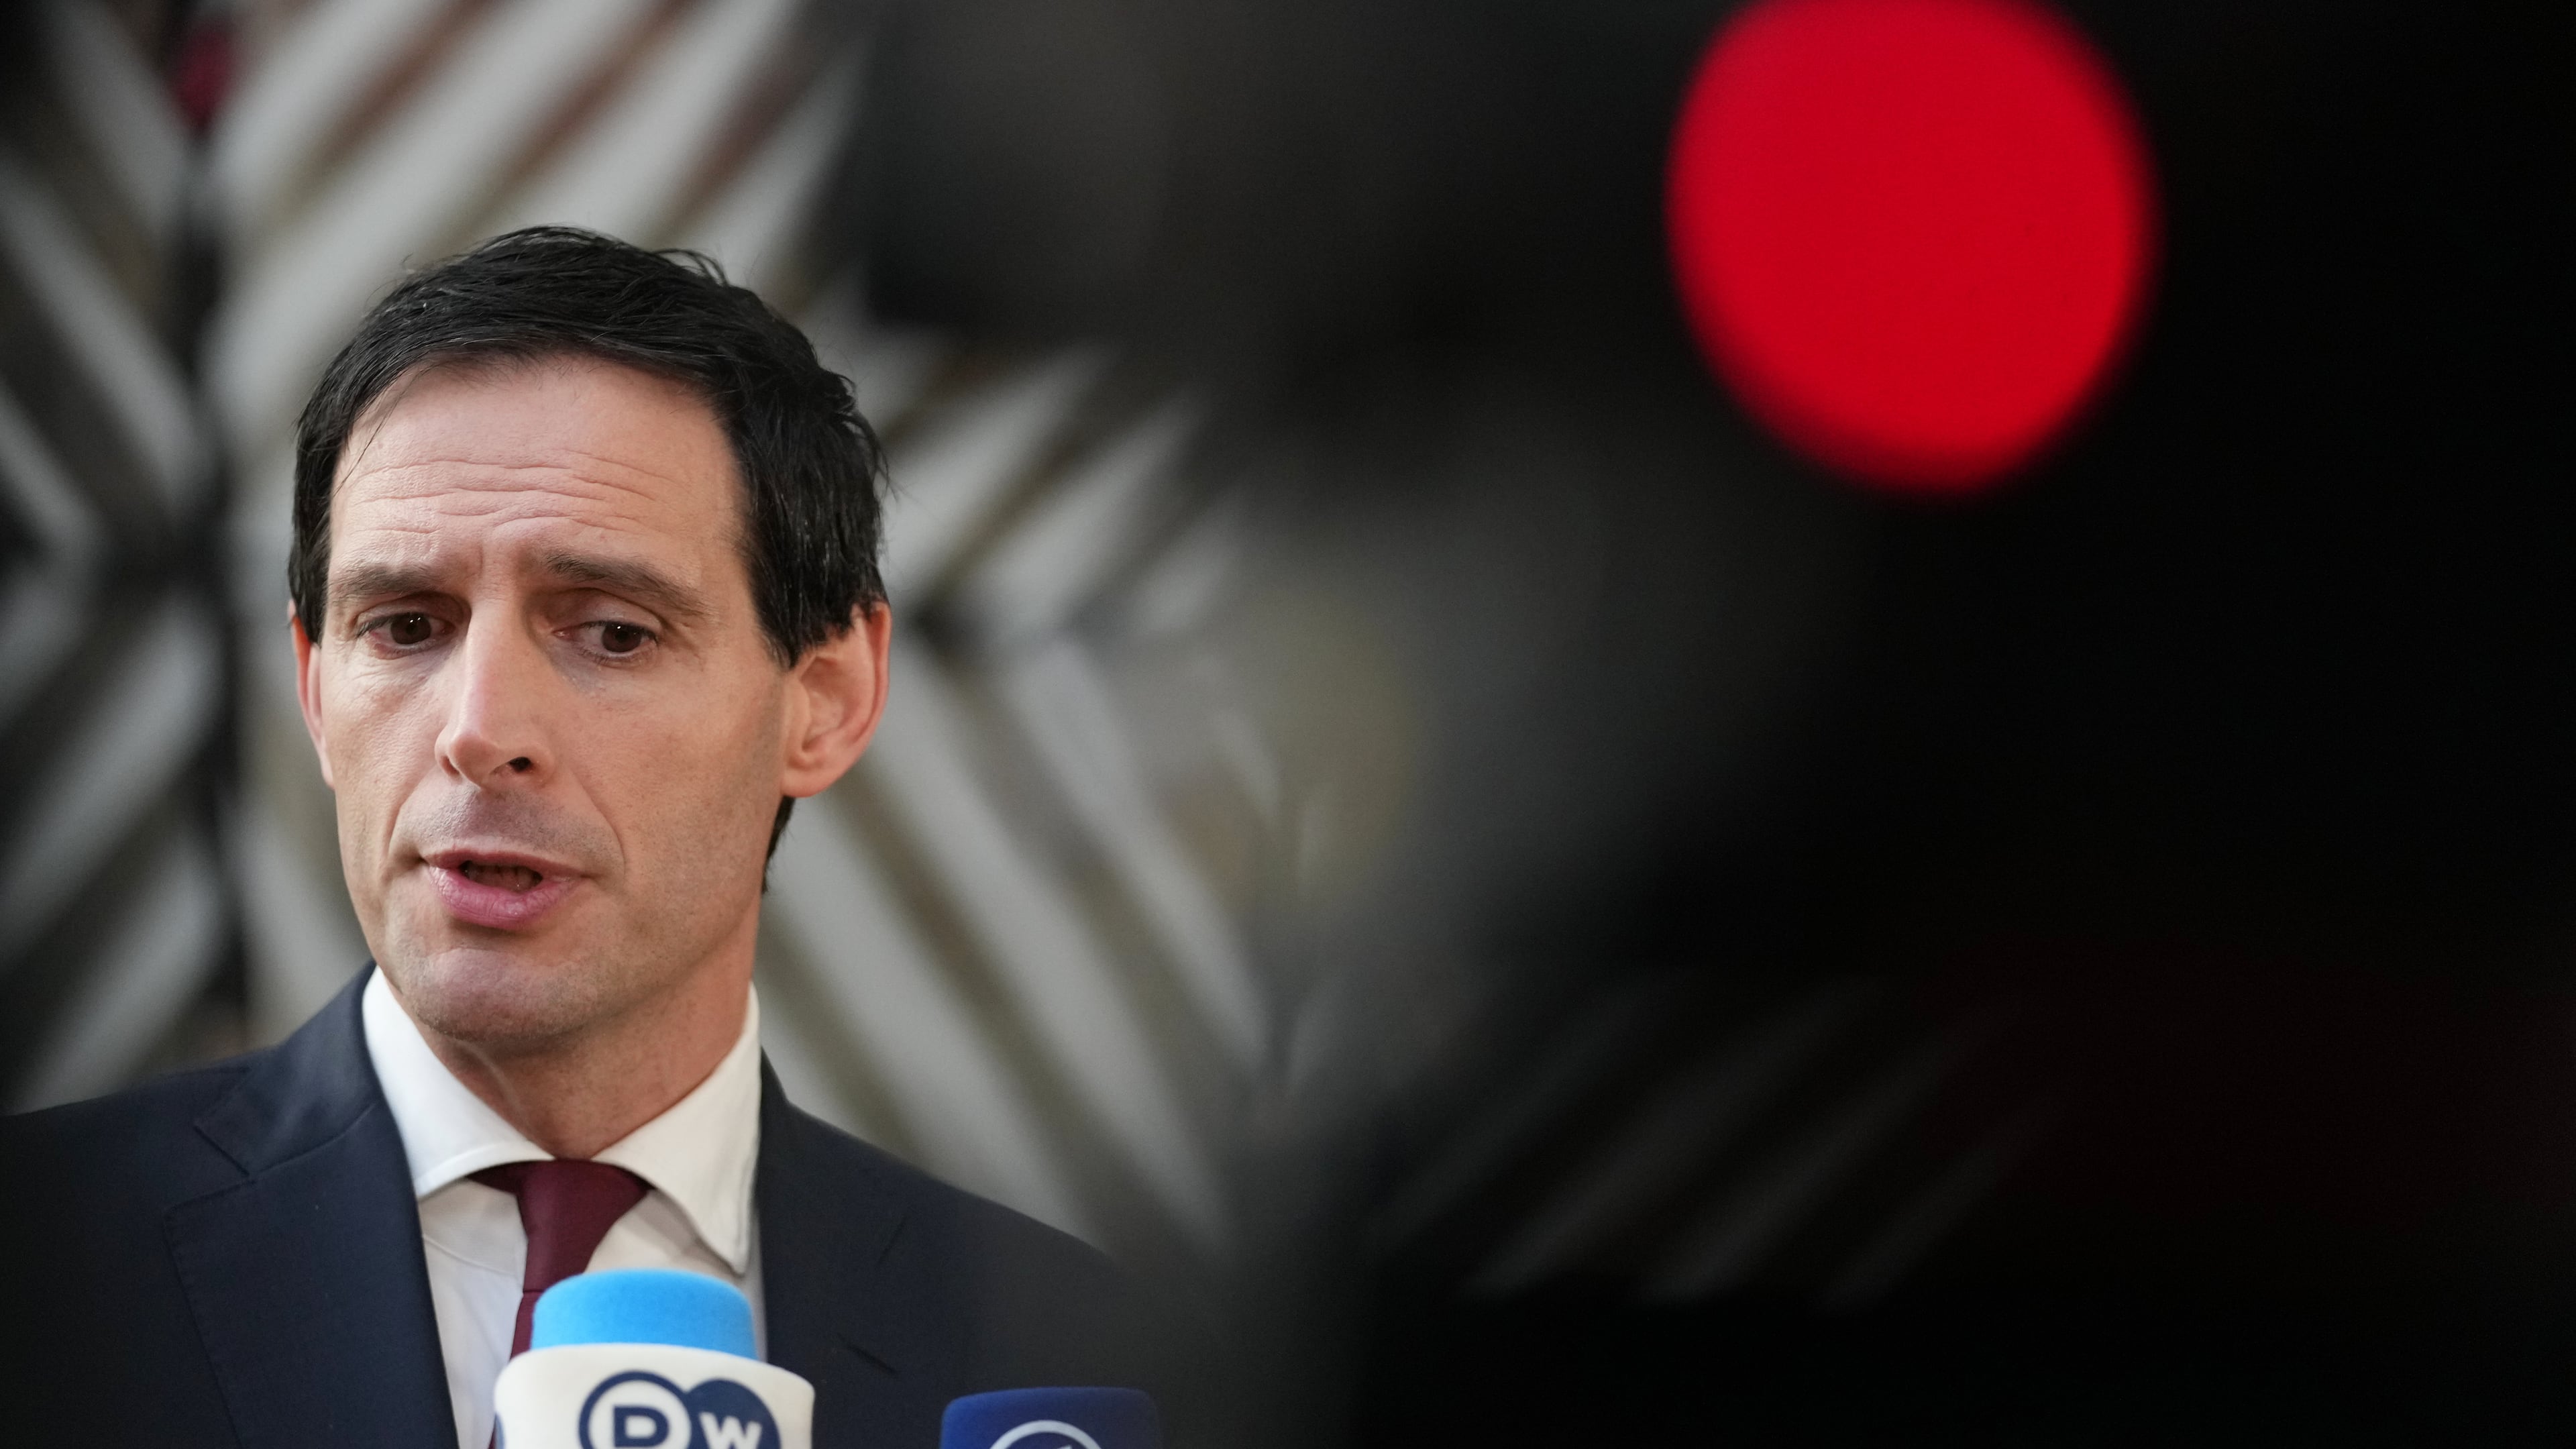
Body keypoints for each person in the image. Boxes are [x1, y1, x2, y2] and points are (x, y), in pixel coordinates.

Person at [0, 227, 1150, 1448]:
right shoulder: (38, 1265)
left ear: (824, 699)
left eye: (611, 632)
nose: (480, 731)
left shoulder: (1069, 1354)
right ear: (315, 686)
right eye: (404, 626)